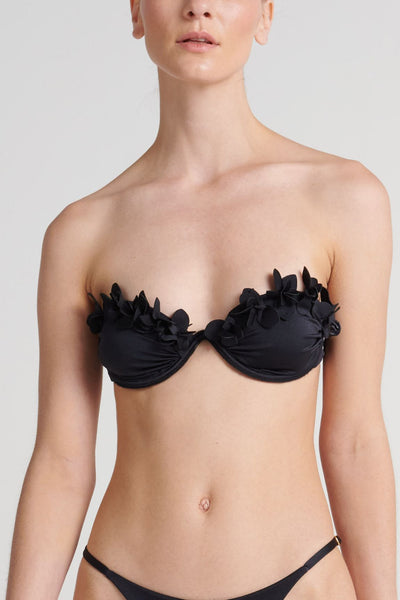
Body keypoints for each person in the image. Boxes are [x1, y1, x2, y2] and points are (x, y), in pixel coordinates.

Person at [6, 1, 397, 599]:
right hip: (118, 581)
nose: (199, 7)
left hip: (303, 579)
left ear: (265, 16)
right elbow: (61, 459)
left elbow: (355, 439)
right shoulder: (80, 233)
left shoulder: (346, 200)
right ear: (136, 12)